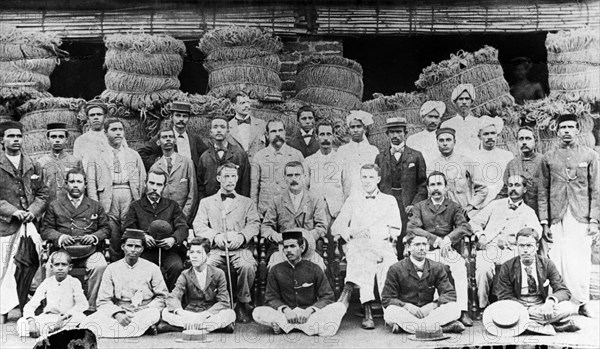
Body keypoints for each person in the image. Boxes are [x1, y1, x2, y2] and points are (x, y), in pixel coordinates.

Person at [538, 113, 600, 317]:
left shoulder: (590, 155)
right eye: (562, 127)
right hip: (557, 215)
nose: (566, 131)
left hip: (580, 215)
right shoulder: (548, 157)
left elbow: (596, 190)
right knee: (558, 258)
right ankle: (558, 301)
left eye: (570, 127)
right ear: (557, 131)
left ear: (577, 130)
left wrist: (594, 220)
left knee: (580, 259)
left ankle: (582, 302)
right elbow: (542, 190)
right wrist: (545, 223)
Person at [333, 164, 402, 329]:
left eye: (371, 177)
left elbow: (396, 228)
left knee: (387, 262)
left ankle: (390, 312)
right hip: (359, 245)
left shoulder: (389, 200)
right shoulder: (353, 199)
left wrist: (377, 235)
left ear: (378, 179)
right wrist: (352, 232)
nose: (367, 181)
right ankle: (367, 309)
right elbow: (337, 227)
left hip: (382, 245)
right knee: (363, 257)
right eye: (364, 177)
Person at [193, 162, 260, 323]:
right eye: (226, 176)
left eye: (233, 176)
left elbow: (254, 224)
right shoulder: (206, 202)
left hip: (239, 249)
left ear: (237, 178)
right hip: (216, 249)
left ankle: (243, 303)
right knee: (205, 265)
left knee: (247, 265)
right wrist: (215, 236)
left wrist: (242, 237)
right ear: (218, 178)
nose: (230, 180)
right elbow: (199, 225)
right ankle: (213, 303)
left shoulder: (247, 202)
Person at [407, 171, 473, 326]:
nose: (436, 188)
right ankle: (431, 311)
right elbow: (412, 228)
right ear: (428, 188)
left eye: (439, 184)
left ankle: (463, 310)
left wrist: (448, 240)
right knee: (430, 269)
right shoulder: (420, 207)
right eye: (432, 185)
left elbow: (465, 227)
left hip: (448, 250)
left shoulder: (454, 207)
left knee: (460, 267)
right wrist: (436, 240)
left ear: (446, 187)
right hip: (426, 250)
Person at [253, 229, 346, 336]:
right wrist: (285, 310)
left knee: (339, 307)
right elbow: (270, 297)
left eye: (292, 246)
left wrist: (310, 310)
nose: (288, 250)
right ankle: (308, 327)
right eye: (286, 247)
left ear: (301, 248)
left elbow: (327, 296)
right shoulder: (275, 270)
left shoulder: (314, 269)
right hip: (286, 315)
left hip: (308, 315)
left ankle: (286, 327)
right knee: (258, 312)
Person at [41, 168, 110, 312]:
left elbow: (106, 228)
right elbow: (46, 229)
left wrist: (94, 237)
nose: (75, 185)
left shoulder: (95, 205)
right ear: (66, 184)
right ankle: (53, 308)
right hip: (63, 251)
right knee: (50, 267)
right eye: (72, 181)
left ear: (85, 184)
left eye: (79, 181)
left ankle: (91, 307)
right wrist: (60, 237)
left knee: (100, 265)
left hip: (89, 251)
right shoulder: (55, 205)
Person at [470, 174, 542, 308]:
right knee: (483, 269)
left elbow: (536, 233)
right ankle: (483, 307)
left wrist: (515, 240)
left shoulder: (529, 212)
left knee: (513, 269)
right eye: (510, 185)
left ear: (525, 189)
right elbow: (474, 222)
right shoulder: (495, 205)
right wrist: (481, 235)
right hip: (490, 247)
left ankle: (508, 305)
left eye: (517, 185)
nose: (513, 189)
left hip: (513, 250)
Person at [0, 121, 48, 324]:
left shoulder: (33, 164)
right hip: (6, 226)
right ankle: (3, 309)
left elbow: (44, 193)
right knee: (5, 267)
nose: (16, 140)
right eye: (11, 136)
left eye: (19, 136)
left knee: (33, 264)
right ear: (1, 140)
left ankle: (29, 306)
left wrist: (31, 211)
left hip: (30, 224)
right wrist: (14, 212)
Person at [80, 229, 168, 338]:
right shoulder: (112, 269)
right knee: (89, 323)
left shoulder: (152, 268)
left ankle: (128, 329)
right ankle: (138, 329)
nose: (133, 250)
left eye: (137, 247)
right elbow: (103, 300)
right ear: (123, 247)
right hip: (121, 310)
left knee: (152, 314)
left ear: (142, 249)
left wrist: (147, 308)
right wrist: (117, 314)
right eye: (129, 246)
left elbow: (162, 297)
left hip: (144, 311)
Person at [494, 228, 580, 333]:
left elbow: (563, 290)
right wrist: (525, 310)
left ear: (537, 246)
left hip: (541, 306)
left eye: (529, 246)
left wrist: (550, 302)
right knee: (501, 312)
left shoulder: (547, 264)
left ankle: (526, 325)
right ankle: (553, 326)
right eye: (521, 246)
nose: (525, 250)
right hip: (518, 306)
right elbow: (504, 296)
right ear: (517, 246)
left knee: (568, 307)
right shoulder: (507, 266)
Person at [86, 118, 146, 261]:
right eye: (114, 130)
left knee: (129, 232)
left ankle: (131, 264)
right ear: (105, 133)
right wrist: (96, 205)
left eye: (120, 130)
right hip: (108, 196)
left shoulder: (133, 154)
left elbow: (142, 177)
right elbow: (91, 182)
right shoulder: (96, 155)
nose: (118, 133)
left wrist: (138, 197)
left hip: (129, 194)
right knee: (113, 235)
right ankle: (114, 265)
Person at [381, 234, 464, 334]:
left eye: (424, 244)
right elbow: (387, 298)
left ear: (428, 247)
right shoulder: (395, 269)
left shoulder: (437, 267)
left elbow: (450, 294)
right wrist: (407, 306)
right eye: (417, 244)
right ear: (408, 247)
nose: (421, 248)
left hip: (429, 313)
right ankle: (441, 328)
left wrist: (433, 305)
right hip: (407, 312)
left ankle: (410, 328)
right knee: (390, 312)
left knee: (454, 308)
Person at [124, 169, 188, 291]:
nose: (154, 188)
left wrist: (173, 239)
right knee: (140, 267)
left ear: (164, 187)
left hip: (168, 250)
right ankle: (144, 296)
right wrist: (143, 237)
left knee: (176, 267)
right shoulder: (136, 206)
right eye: (152, 183)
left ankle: (169, 296)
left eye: (159, 185)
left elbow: (182, 227)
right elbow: (128, 227)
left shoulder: (172, 205)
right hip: (145, 250)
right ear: (146, 183)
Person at [159, 237, 236, 333]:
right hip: (190, 314)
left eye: (199, 252)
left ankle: (183, 327)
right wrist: (181, 312)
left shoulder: (218, 273)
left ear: (208, 255)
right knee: (166, 312)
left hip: (209, 314)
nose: (194, 256)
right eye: (192, 252)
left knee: (230, 314)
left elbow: (224, 302)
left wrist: (205, 315)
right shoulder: (185, 274)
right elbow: (174, 296)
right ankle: (210, 328)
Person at [261, 161, 328, 270]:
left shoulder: (315, 199)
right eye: (290, 175)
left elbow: (322, 226)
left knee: (319, 266)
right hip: (283, 248)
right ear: (284, 178)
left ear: (304, 176)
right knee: (274, 266)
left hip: (307, 248)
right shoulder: (277, 200)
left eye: (297, 175)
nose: (293, 178)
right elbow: (266, 226)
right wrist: (275, 236)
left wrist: (308, 237)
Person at [375, 117, 427, 255]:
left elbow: (423, 184)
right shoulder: (380, 157)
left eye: (398, 131)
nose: (395, 136)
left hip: (408, 203)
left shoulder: (416, 156)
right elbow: (377, 184)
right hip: (387, 202)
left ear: (406, 132)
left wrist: (415, 204)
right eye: (392, 132)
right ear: (387, 134)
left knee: (407, 237)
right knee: (389, 236)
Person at [17, 250, 88, 337]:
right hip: (50, 318)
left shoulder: (74, 282)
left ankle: (54, 333)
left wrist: (64, 317)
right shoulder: (47, 282)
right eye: (57, 264)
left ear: (70, 267)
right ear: (51, 267)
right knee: (22, 323)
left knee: (81, 318)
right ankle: (55, 332)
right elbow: (32, 304)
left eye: (64, 264)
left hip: (68, 318)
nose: (60, 268)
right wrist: (32, 323)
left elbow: (82, 304)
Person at [427, 127, 488, 219]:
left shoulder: (466, 162)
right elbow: (430, 194)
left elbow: (482, 189)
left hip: (464, 214)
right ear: (437, 143)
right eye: (441, 140)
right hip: (442, 216)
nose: (445, 143)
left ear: (454, 142)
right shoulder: (432, 166)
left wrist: (470, 206)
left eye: (448, 140)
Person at [251, 119, 304, 215]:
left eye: (280, 130)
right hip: (266, 212)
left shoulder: (296, 155)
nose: (278, 134)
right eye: (273, 131)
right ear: (267, 135)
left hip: (290, 211)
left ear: (285, 133)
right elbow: (254, 188)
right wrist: (254, 214)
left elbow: (303, 185)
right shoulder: (259, 156)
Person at [137, 101, 208, 172]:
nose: (181, 119)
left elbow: (207, 155)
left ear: (189, 119)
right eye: (178, 115)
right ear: (171, 117)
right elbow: (141, 153)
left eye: (185, 116)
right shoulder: (164, 136)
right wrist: (159, 165)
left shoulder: (194, 138)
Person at [196, 116, 250, 202]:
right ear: (210, 132)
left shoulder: (239, 154)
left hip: (235, 203)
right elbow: (200, 185)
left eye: (222, 127)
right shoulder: (204, 157)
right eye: (215, 127)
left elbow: (245, 184)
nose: (219, 130)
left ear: (228, 131)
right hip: (212, 205)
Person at [149, 127, 196, 224]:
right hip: (163, 218)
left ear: (175, 141)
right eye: (164, 137)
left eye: (171, 137)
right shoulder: (155, 167)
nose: (168, 139)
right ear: (158, 142)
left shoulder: (187, 163)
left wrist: (184, 216)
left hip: (183, 217)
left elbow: (193, 192)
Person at [303, 120, 347, 224]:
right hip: (314, 213)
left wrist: (344, 211)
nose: (326, 138)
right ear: (316, 137)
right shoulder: (308, 161)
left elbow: (347, 188)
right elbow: (304, 188)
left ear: (333, 136)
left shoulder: (342, 160)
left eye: (329, 134)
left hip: (336, 213)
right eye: (322, 134)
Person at [496, 127, 542, 215]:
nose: (524, 142)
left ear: (535, 141)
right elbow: (505, 191)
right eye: (521, 139)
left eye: (528, 138)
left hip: (540, 213)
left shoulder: (544, 162)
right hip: (517, 213)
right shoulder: (512, 164)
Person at [336, 110, 379, 198]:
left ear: (365, 129)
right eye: (352, 127)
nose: (355, 130)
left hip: (368, 195)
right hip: (349, 195)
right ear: (349, 129)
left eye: (359, 127)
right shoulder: (342, 150)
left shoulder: (373, 150)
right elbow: (338, 178)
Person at [73, 100, 129, 168]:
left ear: (105, 116)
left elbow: (126, 159)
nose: (96, 117)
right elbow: (77, 165)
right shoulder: (81, 140)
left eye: (99, 114)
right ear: (88, 118)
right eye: (92, 115)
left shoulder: (116, 137)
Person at [473, 116, 514, 207]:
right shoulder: (472, 157)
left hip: (502, 201)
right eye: (486, 134)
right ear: (479, 136)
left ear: (497, 135)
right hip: (480, 203)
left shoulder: (507, 156)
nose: (490, 137)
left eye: (493, 133)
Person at [36, 123, 83, 203]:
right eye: (53, 137)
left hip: (71, 207)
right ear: (47, 139)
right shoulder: (41, 163)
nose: (57, 140)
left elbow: (82, 186)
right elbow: (38, 190)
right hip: (48, 208)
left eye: (61, 137)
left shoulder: (75, 161)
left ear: (67, 139)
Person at [440, 84, 481, 156]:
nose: (464, 102)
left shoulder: (479, 123)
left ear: (472, 102)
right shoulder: (447, 125)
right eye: (461, 99)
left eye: (467, 99)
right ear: (455, 102)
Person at [227, 91, 267, 161]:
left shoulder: (262, 124)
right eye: (242, 103)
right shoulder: (227, 127)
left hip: (257, 167)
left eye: (248, 102)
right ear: (233, 105)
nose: (246, 106)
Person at [406, 101, 446, 166]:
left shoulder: (445, 139)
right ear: (423, 118)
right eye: (430, 117)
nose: (433, 121)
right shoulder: (412, 139)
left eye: (436, 117)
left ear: (440, 120)